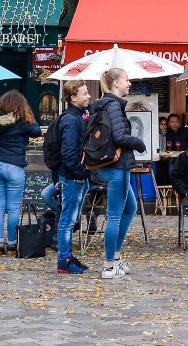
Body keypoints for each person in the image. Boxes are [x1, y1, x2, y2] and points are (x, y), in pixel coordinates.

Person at [88, 69, 147, 280]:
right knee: (114, 215)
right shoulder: (113, 105)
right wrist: (139, 144)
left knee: (130, 208)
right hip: (117, 167)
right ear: (115, 84)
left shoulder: (109, 104)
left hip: (114, 166)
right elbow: (119, 136)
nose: (129, 83)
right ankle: (108, 264)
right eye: (126, 80)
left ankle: (116, 256)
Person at [0, 91, 44, 255]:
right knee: (14, 208)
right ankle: (12, 244)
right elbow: (37, 131)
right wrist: (27, 115)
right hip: (14, 166)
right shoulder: (21, 122)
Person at [44, 82, 94, 273]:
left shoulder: (75, 117)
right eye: (85, 93)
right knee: (67, 219)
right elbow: (69, 152)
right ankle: (63, 261)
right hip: (73, 176)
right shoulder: (72, 120)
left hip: (73, 175)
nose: (88, 96)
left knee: (70, 219)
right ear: (73, 97)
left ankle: (68, 257)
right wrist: (80, 173)